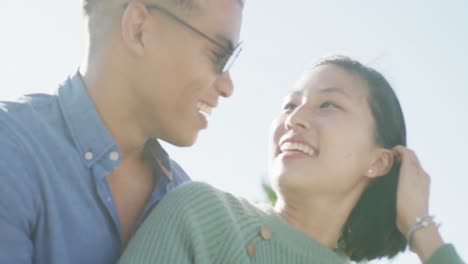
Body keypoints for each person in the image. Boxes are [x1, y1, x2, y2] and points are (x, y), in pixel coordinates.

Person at [118, 56, 464, 264]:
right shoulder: (203, 214)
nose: (295, 119)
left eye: (329, 104)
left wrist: (423, 229)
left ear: (379, 162)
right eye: (289, 104)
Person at [0, 0, 243, 263]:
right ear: (139, 29)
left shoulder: (192, 206)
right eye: (218, 55)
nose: (228, 87)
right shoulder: (10, 147)